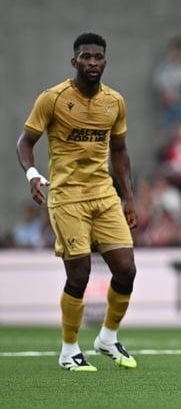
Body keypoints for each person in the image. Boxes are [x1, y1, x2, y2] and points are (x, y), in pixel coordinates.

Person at [16, 32, 138, 372]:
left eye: (98, 57)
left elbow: (120, 150)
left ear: (105, 61)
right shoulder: (52, 99)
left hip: (104, 195)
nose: (93, 62)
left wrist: (129, 198)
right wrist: (32, 175)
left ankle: (107, 338)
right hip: (67, 197)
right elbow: (25, 142)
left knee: (126, 270)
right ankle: (69, 349)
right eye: (86, 57)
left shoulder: (115, 101)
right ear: (75, 62)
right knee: (80, 274)